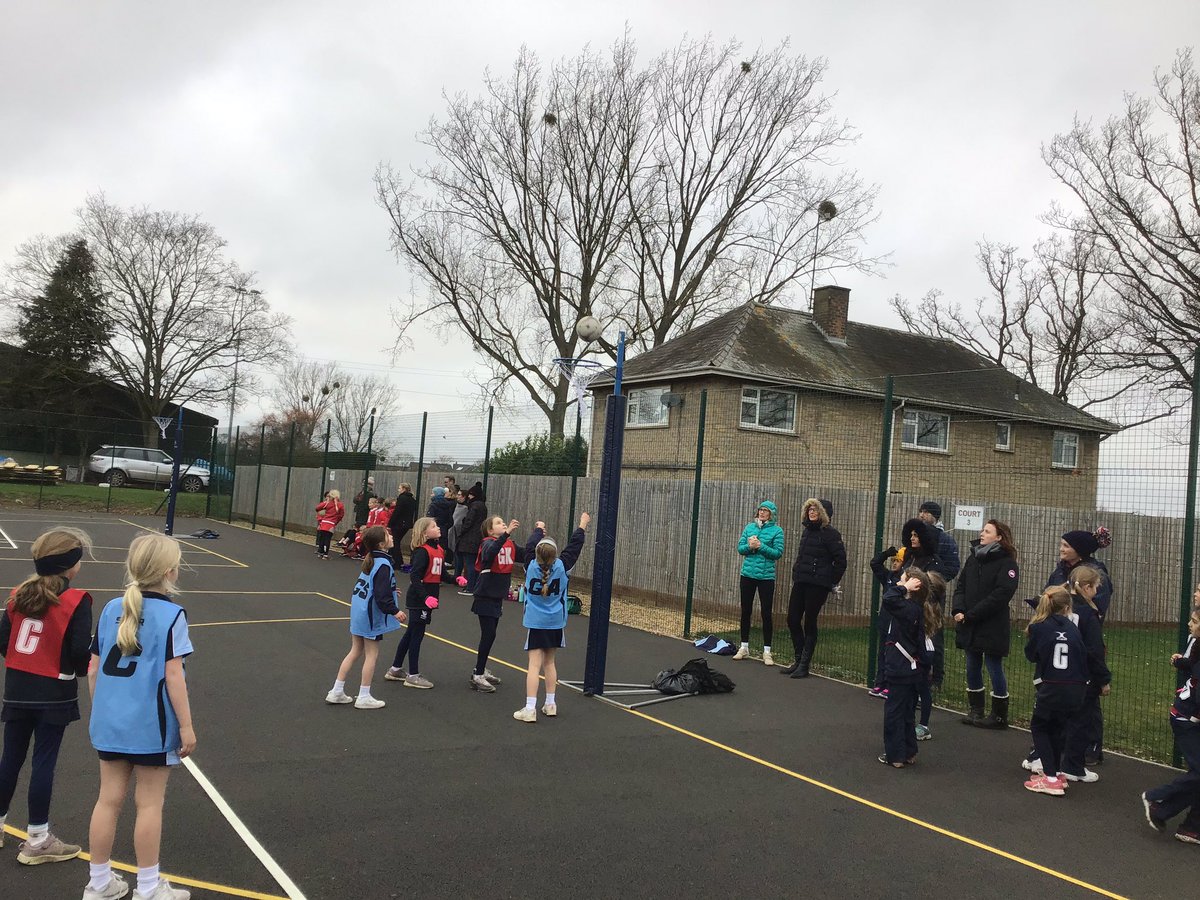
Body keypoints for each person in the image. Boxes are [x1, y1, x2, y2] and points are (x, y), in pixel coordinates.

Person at [84, 533, 195, 900]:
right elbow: (174, 676)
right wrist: (186, 726)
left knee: (107, 800)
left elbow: (93, 669)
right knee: (149, 804)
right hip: (151, 725)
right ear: (170, 571)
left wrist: (103, 710)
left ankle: (98, 884)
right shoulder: (172, 614)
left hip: (111, 722)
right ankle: (147, 888)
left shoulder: (110, 608)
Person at [0, 528, 94, 868]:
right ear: (71, 565)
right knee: (43, 762)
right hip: (53, 693)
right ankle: (38, 839)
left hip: (17, 689)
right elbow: (80, 651)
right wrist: (78, 668)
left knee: (10, 759)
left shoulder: (18, 595)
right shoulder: (76, 601)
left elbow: (3, 641)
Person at [1045, 526, 1113, 766]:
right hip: (1060, 638)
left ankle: (1091, 746)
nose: (1061, 549)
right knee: (1065, 692)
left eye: (1066, 546)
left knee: (1088, 696)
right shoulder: (1059, 571)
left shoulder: (1094, 574)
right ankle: (1064, 741)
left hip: (1083, 641)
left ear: (1079, 550)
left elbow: (1096, 607)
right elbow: (1049, 596)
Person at [514, 513, 590, 722]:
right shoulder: (562, 566)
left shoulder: (530, 565)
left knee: (534, 665)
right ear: (555, 554)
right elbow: (574, 546)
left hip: (536, 622)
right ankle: (550, 704)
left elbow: (530, 545)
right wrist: (582, 524)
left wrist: (539, 529)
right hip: (555, 622)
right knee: (550, 663)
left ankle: (530, 708)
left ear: (537, 554)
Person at [326, 527, 407, 710]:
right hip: (370, 616)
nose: (392, 536)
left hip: (359, 611)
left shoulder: (372, 560)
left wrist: (390, 589)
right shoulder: (383, 564)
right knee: (371, 654)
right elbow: (380, 596)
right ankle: (363, 696)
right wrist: (394, 610)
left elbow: (375, 586)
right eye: (388, 535)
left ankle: (336, 691)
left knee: (355, 651)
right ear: (382, 544)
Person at [1022, 586, 1090, 797]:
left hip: (1053, 685)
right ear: (1067, 607)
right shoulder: (1073, 628)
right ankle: (1057, 772)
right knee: (1058, 728)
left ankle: (1050, 778)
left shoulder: (1039, 626)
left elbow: (1031, 655)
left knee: (1040, 726)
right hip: (1077, 686)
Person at [952, 519, 1019, 729]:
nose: (982, 533)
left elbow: (1002, 594)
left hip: (992, 624)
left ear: (999, 537)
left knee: (993, 665)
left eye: (987, 531)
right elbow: (961, 586)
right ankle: (976, 709)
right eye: (983, 530)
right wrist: (958, 609)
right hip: (969, 622)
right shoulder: (974, 558)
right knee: (972, 663)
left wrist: (973, 614)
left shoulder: (1007, 563)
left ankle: (999, 715)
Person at [868, 517, 946, 699]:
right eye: (911, 535)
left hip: (919, 613)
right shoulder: (910, 558)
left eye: (916, 535)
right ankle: (885, 682)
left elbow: (934, 589)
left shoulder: (934, 562)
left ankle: (922, 687)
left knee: (919, 651)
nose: (912, 538)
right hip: (900, 611)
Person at [1143, 597, 1200, 843]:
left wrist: (1179, 661)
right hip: (1187, 718)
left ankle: (1188, 825)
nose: (1189, 624)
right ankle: (1157, 798)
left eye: (1194, 621)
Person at [877, 569, 942, 768]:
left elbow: (888, 598)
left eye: (903, 579)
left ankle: (895, 755)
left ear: (913, 586)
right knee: (907, 711)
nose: (898, 582)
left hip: (900, 667)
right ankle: (909, 751)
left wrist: (904, 588)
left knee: (894, 712)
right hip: (912, 669)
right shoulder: (915, 608)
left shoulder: (906, 608)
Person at [469, 515, 539, 692]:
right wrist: (506, 534)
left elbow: (527, 554)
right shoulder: (487, 543)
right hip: (485, 594)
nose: (503, 524)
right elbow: (490, 553)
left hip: (497, 596)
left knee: (490, 635)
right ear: (490, 530)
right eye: (498, 523)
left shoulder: (509, 544)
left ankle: (481, 669)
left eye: (503, 522)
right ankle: (478, 674)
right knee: (488, 634)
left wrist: (537, 535)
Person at [784, 499, 847, 679]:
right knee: (792, 619)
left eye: (816, 510)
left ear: (824, 513)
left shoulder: (831, 534)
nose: (812, 512)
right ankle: (798, 659)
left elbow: (841, 561)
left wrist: (830, 581)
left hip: (818, 585)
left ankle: (804, 665)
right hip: (801, 581)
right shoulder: (807, 532)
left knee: (810, 622)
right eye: (810, 509)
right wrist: (796, 570)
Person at [384, 518, 444, 690]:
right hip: (419, 600)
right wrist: (425, 598)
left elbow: (440, 574)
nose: (438, 528)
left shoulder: (439, 550)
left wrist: (457, 579)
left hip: (429, 599)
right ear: (425, 533)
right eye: (434, 526)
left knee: (410, 633)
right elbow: (415, 576)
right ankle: (413, 675)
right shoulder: (422, 552)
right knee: (417, 635)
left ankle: (395, 669)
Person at [735, 501, 784, 667]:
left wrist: (761, 546)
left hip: (766, 577)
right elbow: (740, 548)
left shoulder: (777, 531)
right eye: (761, 510)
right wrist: (750, 546)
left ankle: (767, 651)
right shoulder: (750, 527)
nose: (762, 513)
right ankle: (744, 647)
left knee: (766, 613)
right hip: (747, 575)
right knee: (745, 611)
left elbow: (777, 553)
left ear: (771, 514)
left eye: (766, 510)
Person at [456, 483, 488, 595]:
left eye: (470, 494)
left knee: (469, 563)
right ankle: (475, 586)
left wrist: (462, 531)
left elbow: (469, 521)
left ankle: (470, 587)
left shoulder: (474, 506)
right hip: (478, 537)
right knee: (475, 563)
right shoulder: (483, 506)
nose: (468, 497)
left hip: (469, 538)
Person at [917, 501, 961, 581]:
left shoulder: (946, 540)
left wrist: (934, 581)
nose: (921, 515)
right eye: (920, 511)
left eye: (926, 512)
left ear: (935, 516)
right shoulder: (914, 536)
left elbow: (952, 568)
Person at [390, 483, 418, 567]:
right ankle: (398, 560)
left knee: (395, 542)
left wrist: (390, 523)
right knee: (397, 541)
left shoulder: (402, 498)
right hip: (407, 524)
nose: (398, 490)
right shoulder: (412, 499)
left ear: (404, 489)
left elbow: (397, 512)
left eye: (399, 488)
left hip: (399, 523)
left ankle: (398, 561)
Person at [446, 489, 469, 580]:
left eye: (460, 495)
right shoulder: (456, 506)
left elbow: (458, 522)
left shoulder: (465, 508)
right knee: (456, 555)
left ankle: (458, 575)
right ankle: (457, 574)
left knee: (459, 556)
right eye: (458, 495)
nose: (458, 497)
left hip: (460, 534)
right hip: (454, 532)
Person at [314, 490, 344, 560]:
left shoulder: (327, 503)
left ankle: (320, 553)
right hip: (331, 524)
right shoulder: (340, 505)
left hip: (324, 522)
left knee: (322, 538)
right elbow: (341, 515)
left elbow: (317, 508)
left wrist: (325, 503)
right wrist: (336, 522)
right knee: (327, 539)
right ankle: (325, 555)